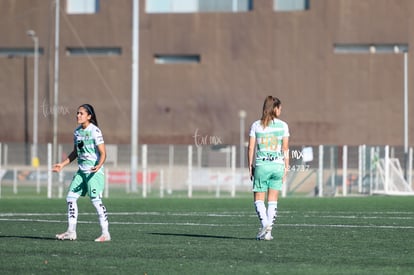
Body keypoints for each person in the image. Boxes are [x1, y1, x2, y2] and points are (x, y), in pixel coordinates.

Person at [52, 104, 110, 242]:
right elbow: (75, 153)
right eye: (77, 113)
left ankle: (105, 233)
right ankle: (71, 232)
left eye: (81, 113)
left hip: (93, 172)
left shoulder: (95, 131)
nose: (78, 115)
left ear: (89, 116)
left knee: (96, 201)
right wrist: (62, 164)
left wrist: (98, 166)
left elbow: (103, 153)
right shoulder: (77, 132)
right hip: (81, 172)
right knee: (70, 198)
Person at [247, 96, 289, 241]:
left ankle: (265, 225)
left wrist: (249, 165)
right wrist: (286, 167)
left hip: (262, 166)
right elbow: (285, 148)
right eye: (280, 108)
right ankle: (268, 233)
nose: (281, 110)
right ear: (274, 108)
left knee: (258, 199)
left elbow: (251, 147)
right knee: (273, 200)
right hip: (278, 166)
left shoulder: (256, 126)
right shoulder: (283, 125)